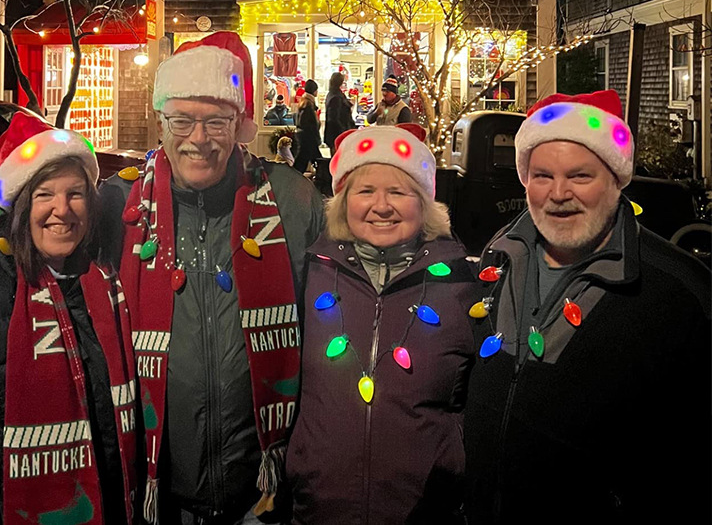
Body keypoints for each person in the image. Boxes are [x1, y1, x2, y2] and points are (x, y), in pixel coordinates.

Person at [100, 31, 324, 524]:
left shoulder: (292, 201)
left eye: (216, 121)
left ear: (239, 126)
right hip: (161, 491)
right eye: (182, 120)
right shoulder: (119, 206)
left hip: (263, 492)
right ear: (162, 123)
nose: (198, 139)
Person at [464, 90, 711, 524]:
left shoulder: (679, 293)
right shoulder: (499, 256)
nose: (559, 193)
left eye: (580, 176)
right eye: (542, 176)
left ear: (616, 180)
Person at [0, 113, 138, 525]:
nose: (62, 210)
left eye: (75, 194)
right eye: (44, 194)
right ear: (18, 206)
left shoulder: (101, 284)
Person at [286, 124, 478, 524]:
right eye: (366, 191)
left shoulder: (462, 283)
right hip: (321, 506)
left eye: (399, 192)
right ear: (343, 200)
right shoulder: (309, 274)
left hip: (423, 512)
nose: (382, 206)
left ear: (424, 202)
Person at [293, 79, 321, 175]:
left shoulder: (304, 102)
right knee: (314, 160)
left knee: (303, 160)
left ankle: (294, 176)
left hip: (305, 136)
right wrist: (316, 137)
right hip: (308, 137)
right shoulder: (308, 104)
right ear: (314, 91)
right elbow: (309, 123)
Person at [323, 71, 355, 152]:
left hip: (335, 134)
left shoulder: (332, 94)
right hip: (338, 135)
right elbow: (334, 118)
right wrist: (343, 131)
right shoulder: (336, 97)